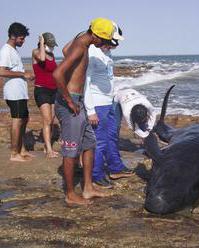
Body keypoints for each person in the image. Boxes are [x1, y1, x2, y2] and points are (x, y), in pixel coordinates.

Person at [52, 17, 114, 205]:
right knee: (71, 150)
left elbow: (64, 50)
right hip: (70, 102)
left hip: (77, 101)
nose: (103, 44)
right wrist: (70, 101)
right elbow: (57, 74)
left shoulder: (82, 44)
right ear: (94, 35)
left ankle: (87, 188)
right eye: (103, 40)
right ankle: (70, 194)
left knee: (89, 143)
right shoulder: (81, 46)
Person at [84, 22, 132, 188]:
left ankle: (115, 168)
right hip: (97, 105)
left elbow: (108, 77)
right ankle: (96, 174)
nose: (116, 45)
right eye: (113, 41)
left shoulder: (106, 52)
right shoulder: (92, 52)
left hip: (108, 102)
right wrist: (90, 111)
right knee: (100, 141)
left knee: (112, 137)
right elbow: (86, 82)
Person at [0, 22, 35, 162]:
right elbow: (1, 71)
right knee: (17, 120)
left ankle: (21, 149)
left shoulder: (13, 50)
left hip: (20, 92)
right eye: (21, 38)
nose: (23, 41)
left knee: (24, 119)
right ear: (13, 36)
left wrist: (25, 75)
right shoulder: (6, 50)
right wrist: (22, 74)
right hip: (13, 93)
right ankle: (14, 153)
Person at [32, 32, 59, 158]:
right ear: (43, 43)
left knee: (52, 120)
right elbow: (42, 59)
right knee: (47, 120)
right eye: (50, 45)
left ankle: (46, 147)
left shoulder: (52, 55)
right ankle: (49, 150)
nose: (52, 47)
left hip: (54, 90)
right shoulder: (36, 52)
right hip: (41, 90)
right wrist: (42, 43)